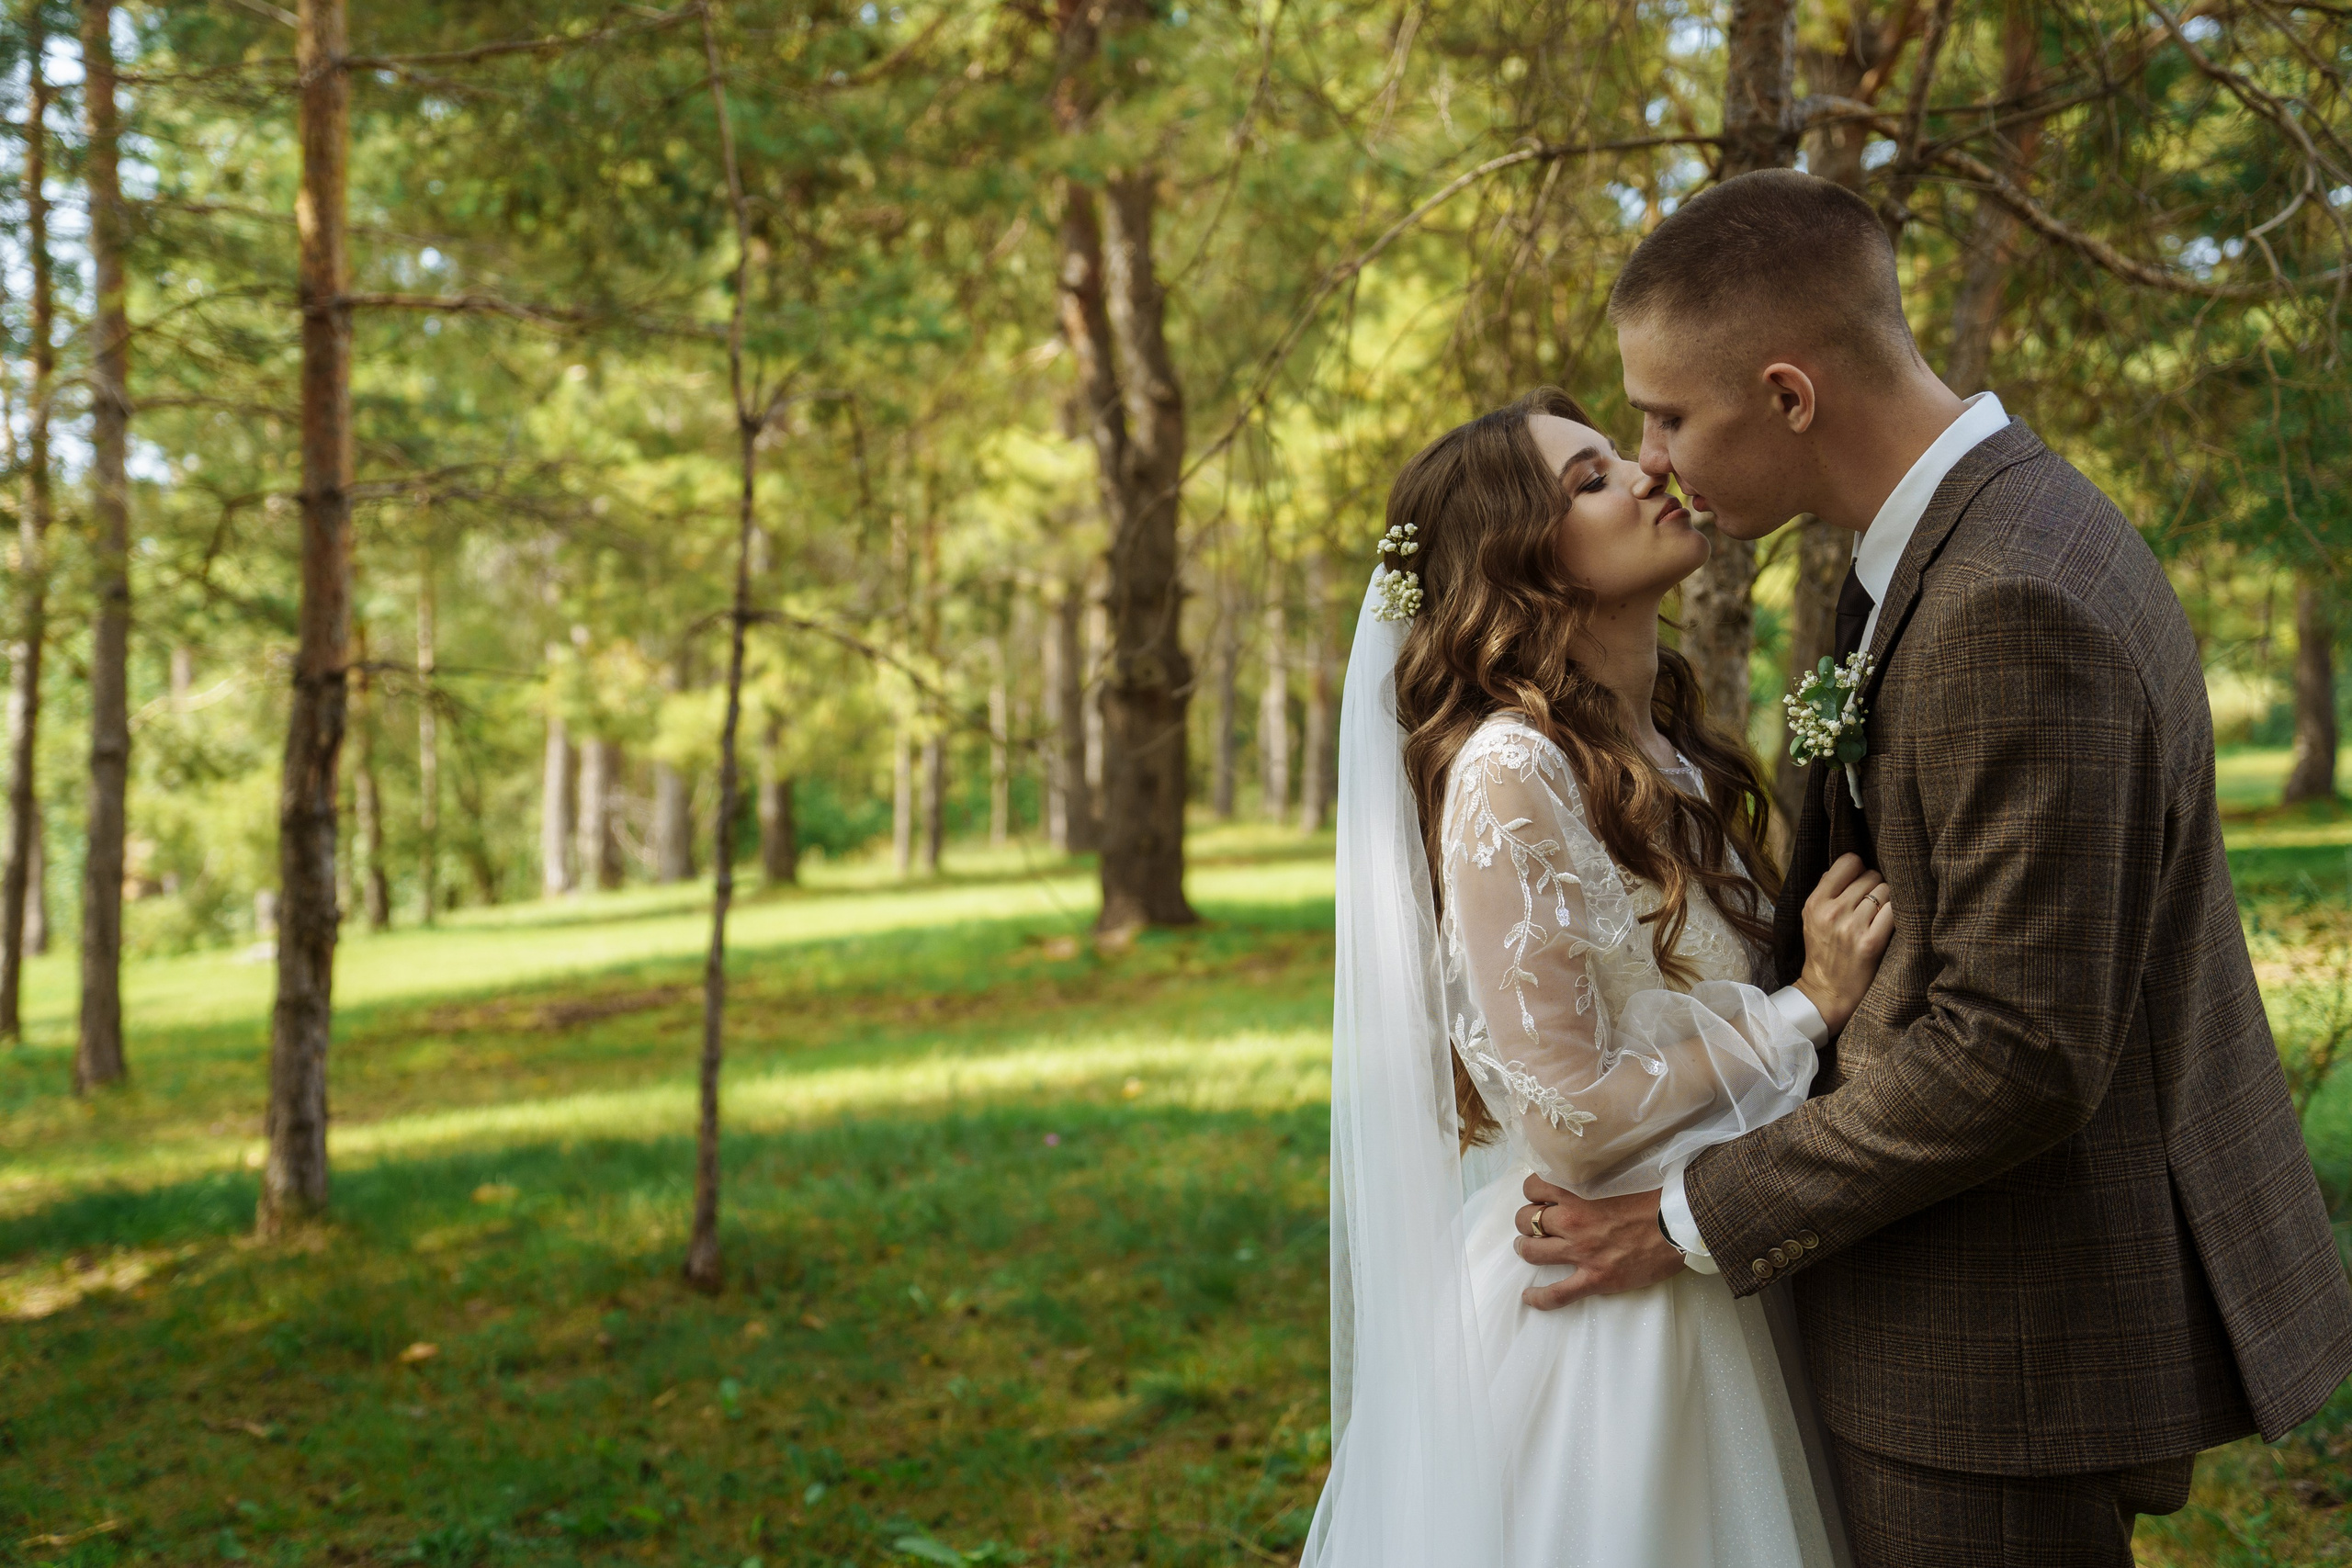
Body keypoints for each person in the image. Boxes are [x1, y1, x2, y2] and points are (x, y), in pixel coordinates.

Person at [1517, 169, 2352, 1566]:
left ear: (1789, 393)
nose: (1654, 456)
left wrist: (1682, 1217)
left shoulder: (2011, 596)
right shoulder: (1951, 543)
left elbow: (2016, 1048)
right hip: (1959, 1319)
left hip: (2001, 1348)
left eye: (1667, 414)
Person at [1305, 385, 1885, 1567]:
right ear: (1523, 563)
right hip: (1612, 1329)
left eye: (1617, 453)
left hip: (1721, 1259)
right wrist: (1805, 1011)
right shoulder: (1507, 768)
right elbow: (1568, 1119)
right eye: (1589, 479)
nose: (1644, 473)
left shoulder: (1661, 752)